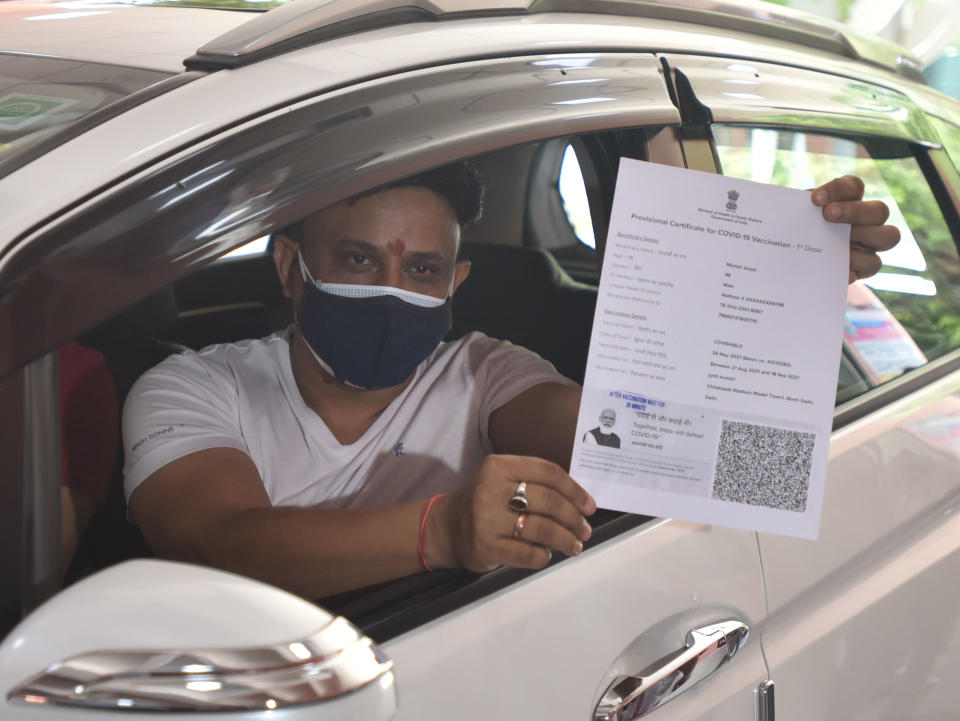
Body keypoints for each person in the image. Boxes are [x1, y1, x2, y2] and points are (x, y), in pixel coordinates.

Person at [122, 162, 898, 599]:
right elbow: (223, 545)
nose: (394, 289)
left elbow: (637, 444)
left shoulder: (484, 371)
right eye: (361, 260)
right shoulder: (191, 388)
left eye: (422, 270)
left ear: (455, 282)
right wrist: (443, 530)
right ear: (292, 266)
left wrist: (784, 286)